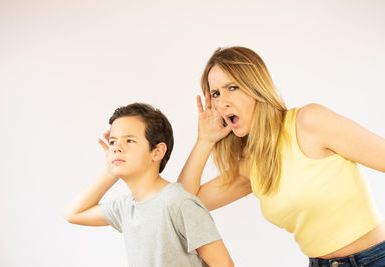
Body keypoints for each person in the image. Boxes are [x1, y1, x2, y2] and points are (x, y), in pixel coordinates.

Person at [177, 46, 385, 267]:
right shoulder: (251, 166)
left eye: (233, 87)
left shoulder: (308, 122)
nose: (222, 102)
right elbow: (180, 205)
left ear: (256, 87)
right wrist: (204, 141)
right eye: (216, 94)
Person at [64, 103, 234, 267]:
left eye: (129, 141)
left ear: (157, 152)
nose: (117, 148)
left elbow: (223, 264)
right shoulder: (126, 207)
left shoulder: (179, 203)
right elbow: (74, 213)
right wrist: (111, 171)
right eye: (113, 142)